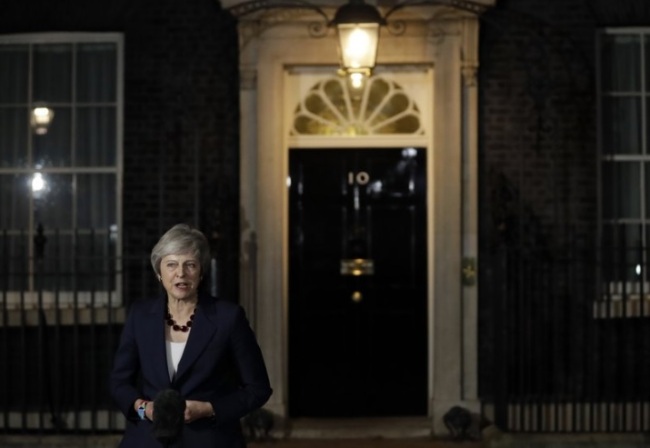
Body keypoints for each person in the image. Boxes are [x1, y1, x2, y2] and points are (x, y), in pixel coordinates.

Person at [110, 223, 272, 447]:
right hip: (147, 440)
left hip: (210, 440)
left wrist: (210, 409)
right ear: (159, 272)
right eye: (171, 265)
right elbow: (119, 383)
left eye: (190, 265)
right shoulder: (140, 315)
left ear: (201, 271)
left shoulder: (228, 317)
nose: (181, 273)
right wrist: (143, 410)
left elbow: (258, 389)